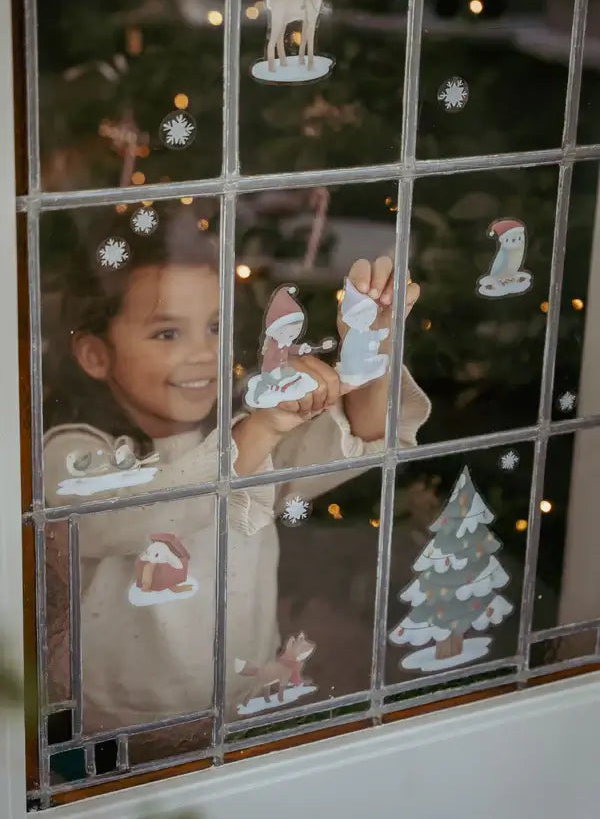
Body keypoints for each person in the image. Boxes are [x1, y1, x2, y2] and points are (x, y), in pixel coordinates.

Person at [43, 206, 430, 734]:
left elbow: (357, 439)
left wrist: (372, 346)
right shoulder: (73, 452)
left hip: (240, 702)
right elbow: (127, 516)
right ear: (95, 354)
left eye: (215, 327)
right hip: (116, 722)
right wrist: (259, 432)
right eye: (166, 334)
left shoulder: (241, 433)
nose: (204, 354)